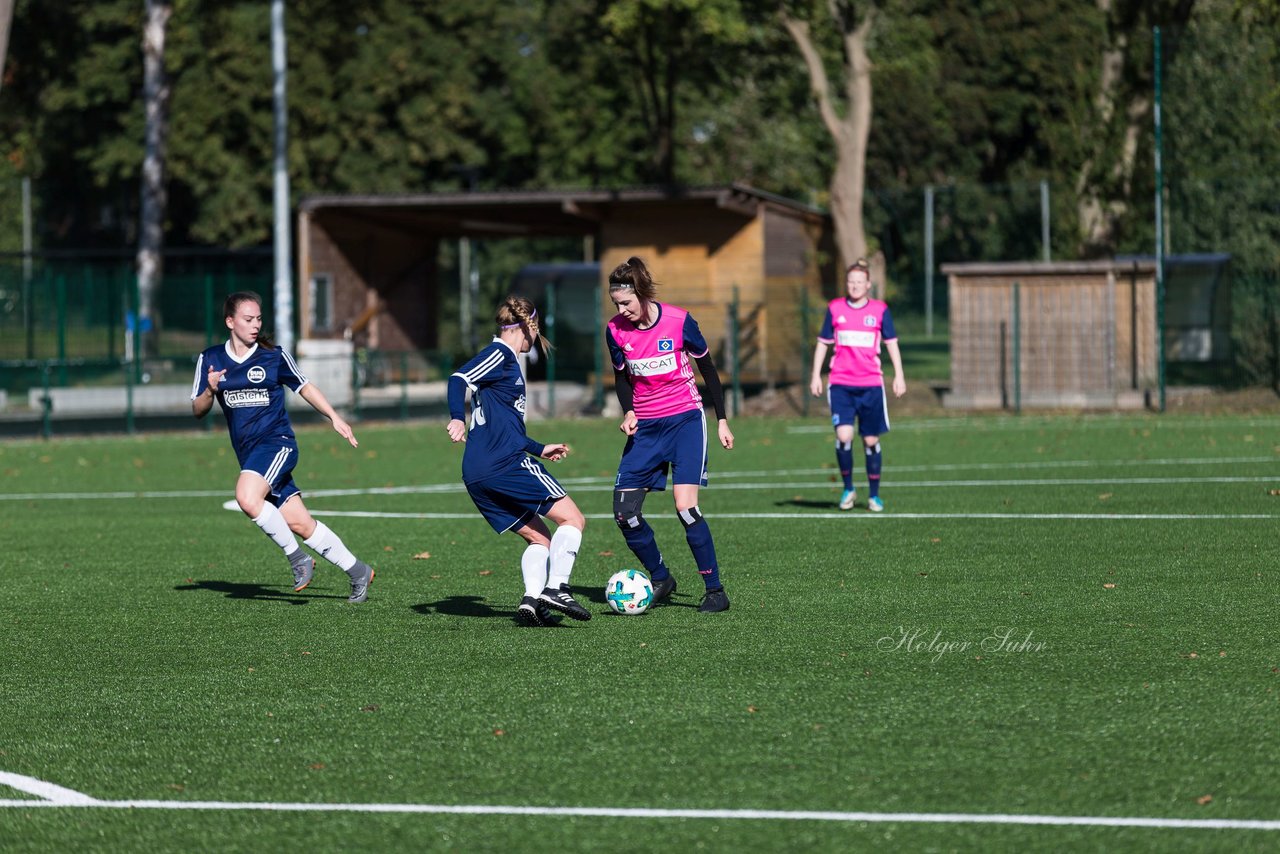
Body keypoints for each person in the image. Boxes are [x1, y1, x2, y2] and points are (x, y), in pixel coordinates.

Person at [191, 291, 375, 602]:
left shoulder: (273, 356)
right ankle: (358, 571)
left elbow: (304, 386)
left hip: (278, 445)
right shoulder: (211, 359)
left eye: (258, 319)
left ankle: (297, 559)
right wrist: (210, 390)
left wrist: (334, 416)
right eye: (248, 319)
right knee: (300, 523)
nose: (255, 324)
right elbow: (198, 409)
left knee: (247, 497)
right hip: (250, 455)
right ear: (230, 321)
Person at [446, 295, 590, 627]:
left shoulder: (507, 363)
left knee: (539, 538)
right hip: (504, 465)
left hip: (479, 472)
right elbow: (458, 379)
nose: (535, 341)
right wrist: (456, 417)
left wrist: (539, 448)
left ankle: (531, 602)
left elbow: (506, 427)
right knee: (573, 520)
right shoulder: (499, 355)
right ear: (525, 327)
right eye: (535, 333)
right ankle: (557, 588)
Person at [606, 257, 734, 613]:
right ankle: (661, 576)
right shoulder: (615, 330)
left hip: (685, 422)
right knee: (624, 512)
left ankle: (714, 590)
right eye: (616, 304)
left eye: (627, 302)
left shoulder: (679, 321)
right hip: (646, 427)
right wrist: (628, 411)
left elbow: (707, 367)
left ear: (643, 294)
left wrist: (721, 418)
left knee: (686, 507)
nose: (622, 310)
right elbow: (621, 377)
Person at [809, 259, 906, 512]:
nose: (854, 286)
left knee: (871, 440)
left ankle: (874, 495)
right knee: (844, 436)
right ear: (847, 283)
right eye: (850, 281)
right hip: (840, 383)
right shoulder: (835, 308)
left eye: (859, 282)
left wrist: (899, 375)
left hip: (871, 385)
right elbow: (823, 343)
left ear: (868, 285)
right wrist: (816, 374)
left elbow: (891, 343)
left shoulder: (880, 310)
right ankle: (848, 489)